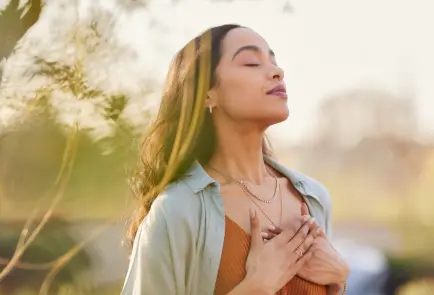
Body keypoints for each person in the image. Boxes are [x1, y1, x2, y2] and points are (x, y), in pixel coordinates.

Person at [121, 24, 350, 295]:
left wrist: (340, 281)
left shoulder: (314, 198)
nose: (278, 72)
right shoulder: (177, 211)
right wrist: (256, 287)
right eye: (252, 63)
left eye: (274, 61)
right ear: (207, 94)